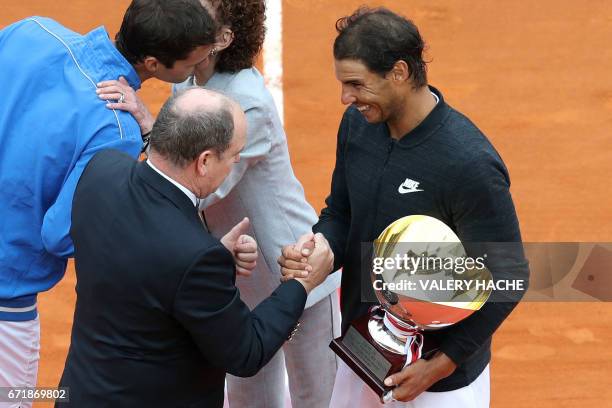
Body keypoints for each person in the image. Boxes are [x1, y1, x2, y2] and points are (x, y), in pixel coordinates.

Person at [279, 6, 529, 408]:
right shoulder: (358, 126)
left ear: (399, 72)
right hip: (364, 354)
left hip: (438, 384)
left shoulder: (467, 162)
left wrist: (441, 364)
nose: (346, 98)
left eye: (357, 84)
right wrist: (322, 249)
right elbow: (342, 213)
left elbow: (509, 274)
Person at [97, 1, 341, 407]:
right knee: (248, 393)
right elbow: (181, 154)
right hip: (239, 270)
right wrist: (146, 119)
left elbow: (202, 186)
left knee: (317, 396)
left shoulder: (248, 104)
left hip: (296, 269)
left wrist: (145, 130)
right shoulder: (188, 82)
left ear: (224, 39)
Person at [57, 88, 333, 407]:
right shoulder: (194, 257)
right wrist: (301, 284)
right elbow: (246, 350)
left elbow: (138, 259)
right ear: (204, 162)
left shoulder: (101, 171)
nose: (233, 165)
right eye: (233, 156)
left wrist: (213, 257)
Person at [0, 0, 218, 402]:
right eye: (192, 64)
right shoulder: (117, 128)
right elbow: (61, 235)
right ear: (153, 64)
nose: (197, 72)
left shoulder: (31, 30)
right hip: (6, 304)